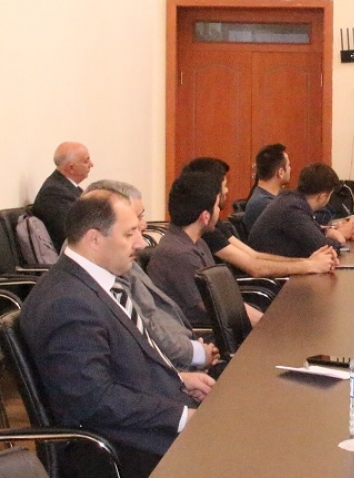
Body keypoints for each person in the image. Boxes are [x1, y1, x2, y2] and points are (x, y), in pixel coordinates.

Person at [20, 190, 214, 478]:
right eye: (129, 234)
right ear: (94, 239)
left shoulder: (93, 283)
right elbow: (93, 400)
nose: (141, 243)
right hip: (124, 445)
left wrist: (178, 378)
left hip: (145, 418)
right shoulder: (68, 303)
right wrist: (181, 416)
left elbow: (122, 362)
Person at [87, 180, 220, 371]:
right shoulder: (105, 265)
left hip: (179, 351)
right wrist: (195, 353)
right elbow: (145, 329)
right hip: (166, 366)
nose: (143, 226)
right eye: (136, 221)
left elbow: (156, 316)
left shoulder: (120, 259)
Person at [182, 157, 338, 277]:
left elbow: (254, 255)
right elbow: (255, 267)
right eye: (223, 187)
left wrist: (309, 262)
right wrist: (308, 265)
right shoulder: (205, 230)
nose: (226, 191)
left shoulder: (213, 224)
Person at [147, 172, 263, 328]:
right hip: (204, 335)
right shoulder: (179, 254)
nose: (219, 211)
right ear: (205, 216)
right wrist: (269, 326)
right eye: (217, 206)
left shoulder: (197, 243)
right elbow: (220, 308)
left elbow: (224, 301)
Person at [249, 163, 354, 258]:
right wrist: (340, 237)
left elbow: (311, 232)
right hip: (275, 272)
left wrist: (329, 231)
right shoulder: (293, 209)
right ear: (322, 197)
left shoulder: (291, 200)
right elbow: (323, 248)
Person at [32, 141, 94, 249]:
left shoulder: (65, 187)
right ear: (71, 168)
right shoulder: (54, 193)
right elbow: (73, 233)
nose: (91, 164)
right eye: (86, 161)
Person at [243, 143, 291, 230]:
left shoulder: (262, 198)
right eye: (288, 165)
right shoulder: (265, 205)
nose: (290, 169)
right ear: (280, 172)